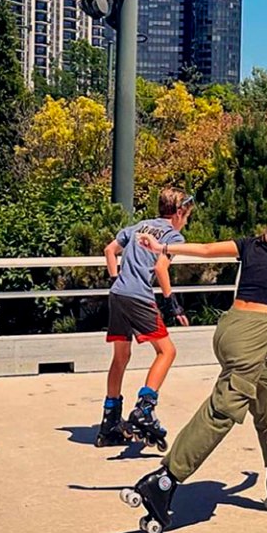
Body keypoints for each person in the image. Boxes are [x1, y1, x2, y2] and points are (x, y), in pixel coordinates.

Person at [122, 197, 267, 533]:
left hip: (229, 329)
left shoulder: (252, 245)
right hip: (252, 337)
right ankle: (165, 479)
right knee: (222, 411)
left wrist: (161, 244)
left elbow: (207, 249)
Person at [95, 187, 194, 450]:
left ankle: (109, 424)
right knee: (167, 352)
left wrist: (117, 279)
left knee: (120, 357)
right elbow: (161, 268)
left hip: (117, 295)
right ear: (179, 212)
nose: (187, 221)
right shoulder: (174, 236)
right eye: (187, 215)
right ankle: (145, 408)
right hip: (139, 296)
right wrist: (173, 304)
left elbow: (109, 250)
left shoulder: (138, 226)